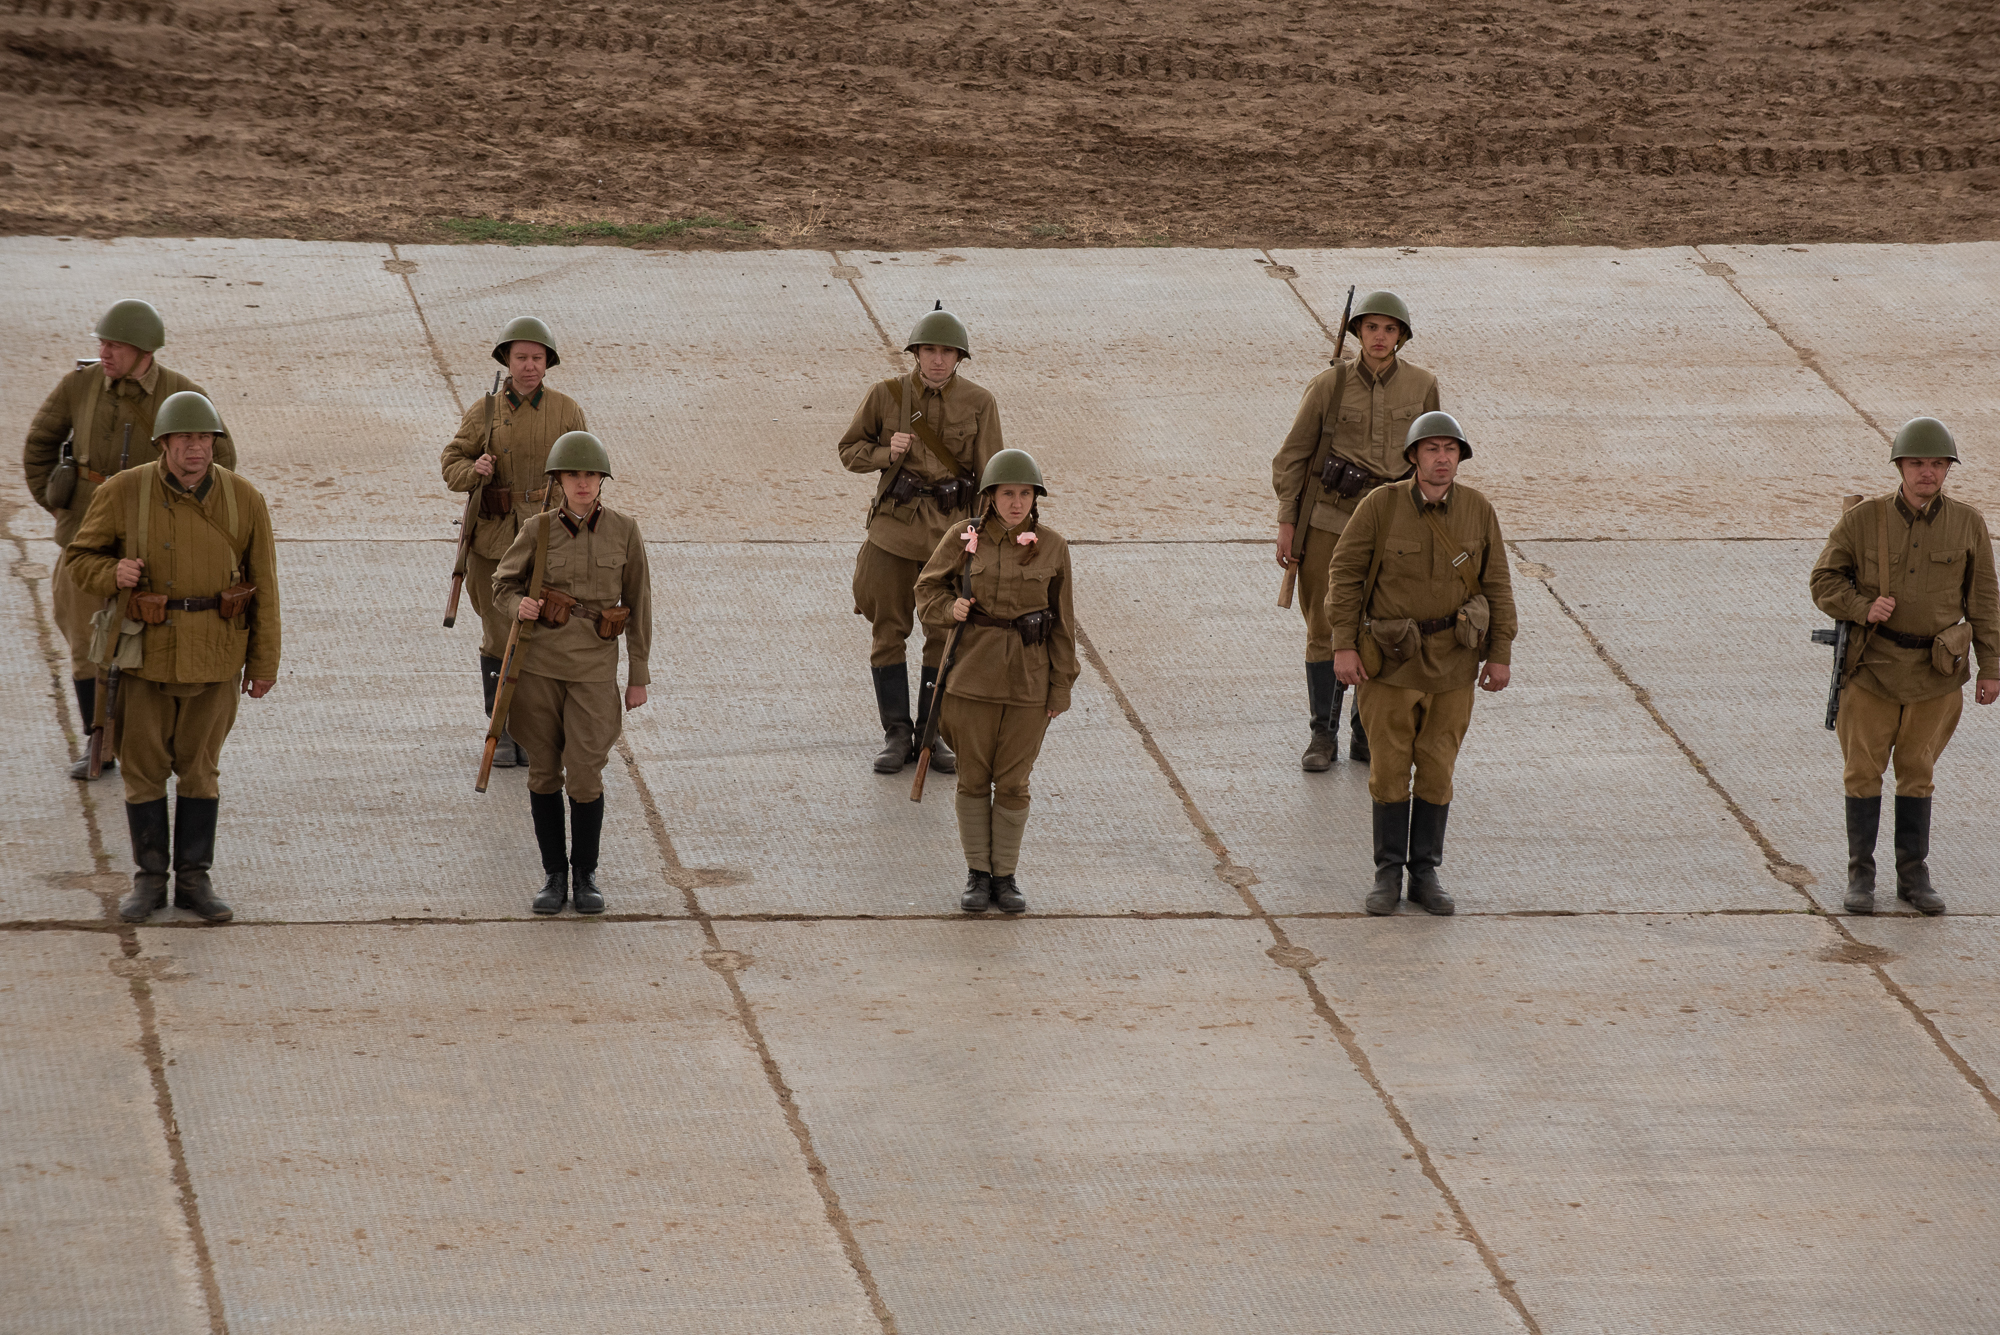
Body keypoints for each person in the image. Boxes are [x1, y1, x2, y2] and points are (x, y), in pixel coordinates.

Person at [63, 392, 280, 923]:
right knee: (143, 772)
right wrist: (112, 575)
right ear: (163, 443)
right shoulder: (123, 491)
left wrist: (265, 663)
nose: (195, 449)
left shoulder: (244, 498)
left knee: (201, 772)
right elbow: (80, 558)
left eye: (204, 439)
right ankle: (149, 880)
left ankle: (193, 881)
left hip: (216, 656)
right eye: (184, 439)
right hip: (146, 657)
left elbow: (265, 587)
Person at [22, 299, 237, 780]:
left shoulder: (183, 395)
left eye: (114, 345)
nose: (105, 352)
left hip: (153, 548)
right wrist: (58, 505)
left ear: (143, 351)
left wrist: (181, 525)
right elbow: (39, 442)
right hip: (87, 540)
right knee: (83, 643)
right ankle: (98, 743)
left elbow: (222, 465)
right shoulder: (79, 385)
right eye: (102, 343)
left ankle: (144, 741)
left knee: (148, 648)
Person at [1326, 411, 1515, 916]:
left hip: (1454, 664)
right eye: (1431, 450)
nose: (1441, 459)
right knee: (1389, 769)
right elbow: (1344, 576)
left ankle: (1424, 873)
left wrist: (1500, 653)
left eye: (1450, 450)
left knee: (1437, 767)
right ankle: (1387, 873)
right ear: (1413, 457)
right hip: (1390, 663)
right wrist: (1343, 645)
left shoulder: (1478, 510)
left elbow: (1497, 585)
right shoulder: (1381, 507)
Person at [1810, 417, 1999, 916]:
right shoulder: (1863, 520)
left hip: (1936, 675)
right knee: (1862, 774)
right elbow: (1823, 581)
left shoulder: (1967, 524)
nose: (1928, 473)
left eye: (1937, 464)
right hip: (1872, 669)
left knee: (1918, 775)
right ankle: (1861, 877)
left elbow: (1984, 600)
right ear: (1900, 466)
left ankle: (1914, 878)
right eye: (1918, 463)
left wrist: (1991, 667)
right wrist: (1860, 607)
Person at [1271, 291, 1440, 772]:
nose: (1380, 337)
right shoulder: (1329, 384)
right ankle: (1322, 736)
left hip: (1392, 522)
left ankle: (1366, 734)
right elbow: (1293, 457)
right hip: (1328, 521)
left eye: (1390, 329)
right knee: (1325, 626)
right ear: (1357, 333)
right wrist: (1287, 520)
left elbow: (1431, 455)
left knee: (1384, 624)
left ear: (1402, 336)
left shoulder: (1424, 386)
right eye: (1371, 328)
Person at [840, 303, 1004, 776]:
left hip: (948, 539)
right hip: (893, 532)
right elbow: (848, 451)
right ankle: (896, 732)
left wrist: (984, 538)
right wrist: (881, 451)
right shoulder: (886, 394)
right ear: (915, 353)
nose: (937, 360)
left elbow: (989, 476)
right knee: (888, 631)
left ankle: (931, 735)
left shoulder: (979, 402)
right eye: (929, 350)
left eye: (947, 352)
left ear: (959, 358)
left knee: (944, 634)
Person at [492, 431, 652, 916]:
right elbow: (502, 584)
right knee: (543, 771)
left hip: (593, 671)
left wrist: (638, 675)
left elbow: (639, 604)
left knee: (585, 773)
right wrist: (517, 604)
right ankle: (553, 875)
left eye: (590, 475)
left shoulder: (625, 530)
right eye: (572, 475)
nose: (582, 484)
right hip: (538, 668)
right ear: (557, 481)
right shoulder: (537, 530)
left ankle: (585, 875)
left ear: (602, 481)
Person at [915, 449, 1077, 915]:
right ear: (990, 496)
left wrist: (1061, 686)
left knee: (1013, 784)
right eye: (1008, 493)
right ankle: (976, 875)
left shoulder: (1052, 546)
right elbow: (927, 587)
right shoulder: (963, 538)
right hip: (971, 679)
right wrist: (950, 610)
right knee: (972, 778)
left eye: (1025, 494)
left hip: (1029, 683)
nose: (1016, 502)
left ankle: (1005, 876)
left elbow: (1064, 621)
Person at [441, 317, 587, 768]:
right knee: (499, 632)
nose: (529, 366)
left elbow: (586, 471)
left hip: (547, 535)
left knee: (543, 635)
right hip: (494, 538)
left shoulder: (566, 411)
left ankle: (532, 730)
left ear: (548, 363)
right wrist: (475, 471)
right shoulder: (484, 412)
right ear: (507, 359)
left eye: (537, 358)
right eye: (521, 357)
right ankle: (499, 729)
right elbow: (452, 460)